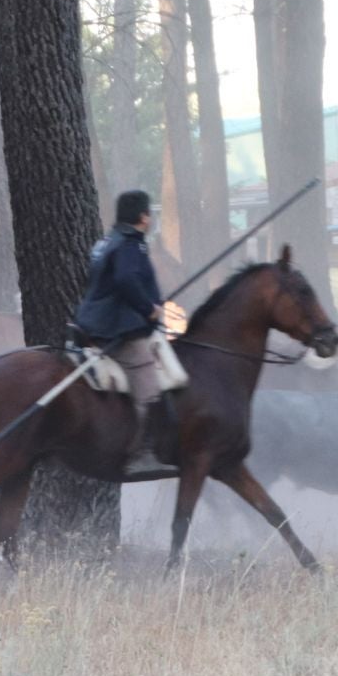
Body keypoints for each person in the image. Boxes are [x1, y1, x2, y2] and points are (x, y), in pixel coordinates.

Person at [73, 189, 189, 470]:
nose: (151, 218)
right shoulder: (130, 244)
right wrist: (149, 309)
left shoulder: (106, 241)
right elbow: (126, 278)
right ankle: (143, 454)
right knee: (148, 383)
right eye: (150, 213)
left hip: (94, 321)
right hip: (116, 329)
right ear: (143, 216)